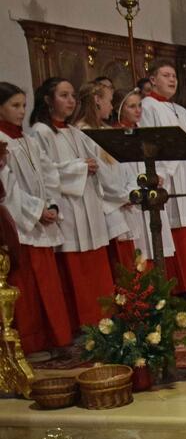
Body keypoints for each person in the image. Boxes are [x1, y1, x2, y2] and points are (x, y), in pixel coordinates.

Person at [29, 77, 114, 329]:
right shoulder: (40, 132)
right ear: (47, 100)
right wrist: (79, 167)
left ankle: (104, 319)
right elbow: (43, 173)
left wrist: (92, 166)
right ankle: (84, 322)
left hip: (88, 202)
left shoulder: (76, 131)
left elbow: (94, 160)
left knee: (95, 263)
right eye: (63, 95)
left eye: (73, 95)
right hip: (68, 206)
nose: (70, 101)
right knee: (76, 268)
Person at [0, 82, 72, 357]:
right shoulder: (1, 142)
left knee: (49, 286)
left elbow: (50, 174)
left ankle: (56, 338)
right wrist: (36, 211)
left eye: (23, 106)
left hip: (41, 220)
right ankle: (32, 343)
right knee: (27, 288)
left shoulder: (27, 140)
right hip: (20, 226)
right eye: (14, 106)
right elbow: (6, 189)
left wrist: (51, 204)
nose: (21, 112)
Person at [139, 61, 186, 302]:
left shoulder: (180, 109)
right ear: (152, 80)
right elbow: (151, 142)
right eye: (166, 75)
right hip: (170, 175)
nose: (172, 79)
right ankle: (182, 286)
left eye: (174, 76)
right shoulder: (148, 107)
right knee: (178, 230)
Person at [72, 81, 135, 273]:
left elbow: (125, 168)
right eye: (109, 100)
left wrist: (130, 190)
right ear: (97, 100)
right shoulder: (81, 132)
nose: (112, 106)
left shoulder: (107, 131)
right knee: (117, 266)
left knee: (131, 261)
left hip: (122, 201)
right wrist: (123, 196)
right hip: (105, 206)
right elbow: (100, 173)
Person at [110, 88, 176, 267]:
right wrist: (132, 191)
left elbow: (159, 161)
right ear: (119, 109)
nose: (138, 110)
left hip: (151, 197)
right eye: (132, 106)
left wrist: (158, 176)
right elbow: (116, 172)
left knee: (156, 246)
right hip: (132, 200)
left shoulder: (146, 133)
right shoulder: (114, 136)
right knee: (139, 253)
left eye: (139, 105)